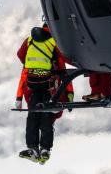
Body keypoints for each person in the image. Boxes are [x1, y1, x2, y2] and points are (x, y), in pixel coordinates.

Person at [15, 24, 72, 164]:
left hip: (33, 85)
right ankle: (45, 148)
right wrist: (69, 93)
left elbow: (20, 55)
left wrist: (32, 64)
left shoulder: (30, 40)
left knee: (33, 116)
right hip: (49, 86)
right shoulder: (55, 41)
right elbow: (65, 61)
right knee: (47, 116)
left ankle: (32, 148)